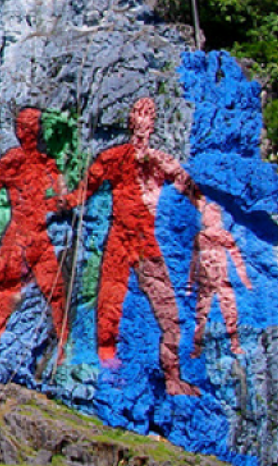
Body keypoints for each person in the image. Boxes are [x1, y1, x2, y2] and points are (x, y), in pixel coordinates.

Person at [67, 97, 200, 395]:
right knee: (109, 301)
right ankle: (105, 363)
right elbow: (82, 193)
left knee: (169, 312)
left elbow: (191, 190)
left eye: (148, 115)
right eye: (138, 115)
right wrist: (54, 203)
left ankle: (173, 377)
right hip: (119, 236)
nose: (142, 121)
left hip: (145, 242)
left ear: (153, 124)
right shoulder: (114, 157)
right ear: (130, 122)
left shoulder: (160, 161)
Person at [0, 108, 71, 379]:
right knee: (3, 296)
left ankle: (62, 353)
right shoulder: (11, 161)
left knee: (57, 292)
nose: (30, 131)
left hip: (39, 236)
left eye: (34, 126)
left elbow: (61, 196)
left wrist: (64, 199)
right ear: (19, 130)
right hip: (17, 236)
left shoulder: (46, 163)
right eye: (26, 126)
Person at [189, 196, 255, 358]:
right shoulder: (201, 238)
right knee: (202, 315)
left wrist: (245, 280)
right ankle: (198, 348)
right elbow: (194, 262)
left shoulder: (223, 236)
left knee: (229, 312)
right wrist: (190, 284)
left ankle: (234, 345)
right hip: (206, 281)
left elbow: (236, 258)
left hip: (220, 280)